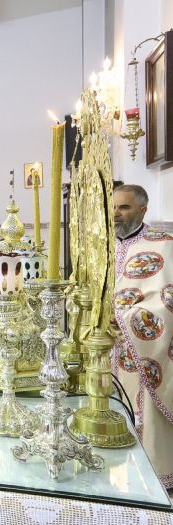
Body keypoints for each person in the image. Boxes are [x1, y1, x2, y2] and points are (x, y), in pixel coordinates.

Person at [112, 184, 173, 489]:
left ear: (142, 210)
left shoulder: (163, 244)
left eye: (123, 207)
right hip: (107, 348)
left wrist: (124, 319)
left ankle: (149, 478)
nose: (116, 214)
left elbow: (167, 300)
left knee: (144, 412)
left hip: (141, 349)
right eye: (113, 207)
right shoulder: (104, 246)